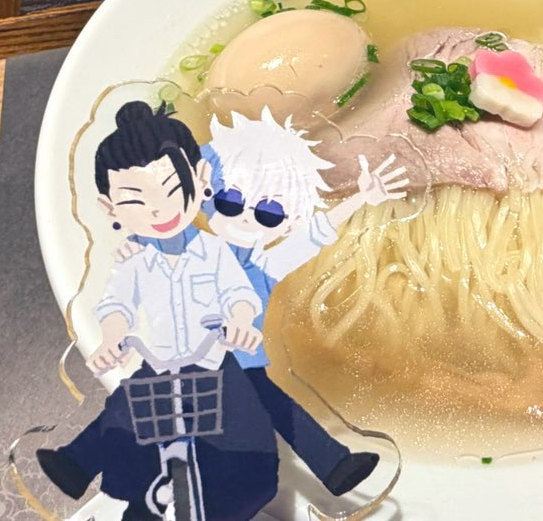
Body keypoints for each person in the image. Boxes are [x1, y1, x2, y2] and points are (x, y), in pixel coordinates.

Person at [122, 108, 407, 498]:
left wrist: (360, 198)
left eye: (270, 213)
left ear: (289, 221)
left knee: (266, 408)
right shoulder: (194, 247)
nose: (245, 217)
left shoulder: (264, 263)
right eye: (230, 200)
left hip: (240, 358)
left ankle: (331, 465)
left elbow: (314, 235)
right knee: (249, 411)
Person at [34, 103, 269, 520]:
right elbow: (116, 303)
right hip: (161, 355)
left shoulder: (213, 249)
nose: (159, 210)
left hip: (213, 354)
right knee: (129, 399)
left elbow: (239, 292)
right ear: (110, 208)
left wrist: (240, 321)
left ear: (199, 179)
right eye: (135, 199)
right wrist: (111, 339)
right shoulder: (133, 258)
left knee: (253, 418)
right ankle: (77, 462)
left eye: (172, 189)